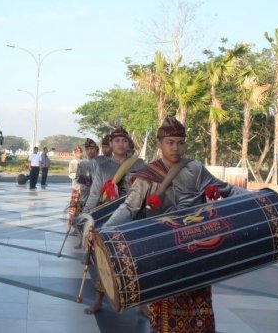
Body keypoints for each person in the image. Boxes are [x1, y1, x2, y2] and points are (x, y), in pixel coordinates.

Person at [96, 116, 247, 333]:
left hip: (198, 250)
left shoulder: (195, 169)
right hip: (163, 252)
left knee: (200, 310)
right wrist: (105, 232)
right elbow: (128, 209)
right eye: (170, 142)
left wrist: (260, 198)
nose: (176, 147)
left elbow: (228, 190)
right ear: (160, 145)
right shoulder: (147, 176)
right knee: (165, 312)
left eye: (181, 142)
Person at [82, 127, 145, 315]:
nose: (120, 144)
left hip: (135, 217)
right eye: (117, 141)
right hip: (109, 219)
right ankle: (99, 300)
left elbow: (149, 189)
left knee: (137, 261)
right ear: (111, 144)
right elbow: (94, 195)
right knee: (105, 261)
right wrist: (86, 217)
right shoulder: (103, 167)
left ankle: (143, 305)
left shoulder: (140, 165)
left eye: (124, 141)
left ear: (129, 144)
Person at [67, 145, 84, 226]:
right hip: (76, 186)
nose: (80, 154)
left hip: (84, 188)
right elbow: (70, 174)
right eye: (78, 152)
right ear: (75, 153)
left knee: (81, 205)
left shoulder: (85, 162)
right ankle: (72, 220)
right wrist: (77, 175)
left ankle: (80, 222)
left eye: (81, 152)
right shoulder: (72, 162)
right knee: (73, 204)